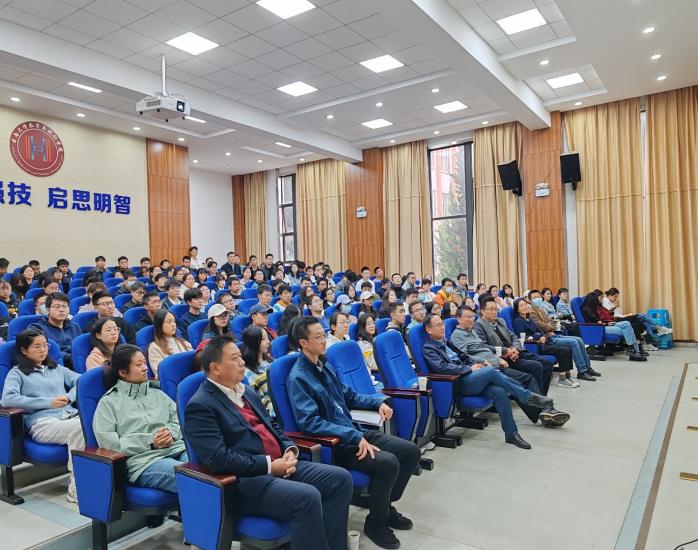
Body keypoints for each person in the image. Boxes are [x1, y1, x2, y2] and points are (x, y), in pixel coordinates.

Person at [184, 334, 353, 550]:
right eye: (234, 358)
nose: (242, 362)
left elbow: (273, 426)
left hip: (280, 464)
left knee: (340, 479)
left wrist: (289, 448)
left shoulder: (246, 391)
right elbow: (218, 459)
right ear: (215, 368)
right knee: (307, 497)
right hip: (247, 483)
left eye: (240, 356)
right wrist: (270, 466)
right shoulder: (200, 406)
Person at [288, 317, 420, 549]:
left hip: (354, 432)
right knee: (388, 463)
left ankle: (383, 507)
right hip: (337, 444)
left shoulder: (324, 366)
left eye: (323, 335)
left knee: (411, 452)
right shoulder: (298, 377)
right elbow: (310, 423)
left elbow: (349, 396)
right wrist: (353, 436)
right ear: (303, 343)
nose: (324, 340)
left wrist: (377, 402)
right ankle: (376, 522)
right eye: (318, 337)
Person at [423, 314, 552, 450]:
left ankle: (511, 434)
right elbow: (441, 367)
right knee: (490, 371)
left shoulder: (446, 342)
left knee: (499, 392)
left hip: (470, 377)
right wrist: (469, 368)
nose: (443, 327)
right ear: (428, 330)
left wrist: (477, 363)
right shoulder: (429, 348)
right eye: (438, 325)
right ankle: (527, 396)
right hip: (457, 382)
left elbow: (464, 356)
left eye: (442, 324)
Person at [0, 329, 84, 502]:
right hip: (42, 423)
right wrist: (48, 403)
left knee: (95, 424)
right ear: (24, 350)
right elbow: (8, 399)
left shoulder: (56, 368)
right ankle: (76, 488)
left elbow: (82, 381)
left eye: (45, 345)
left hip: (68, 416)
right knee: (83, 428)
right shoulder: (17, 373)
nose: (43, 350)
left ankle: (94, 482)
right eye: (37, 346)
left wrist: (69, 397)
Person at [452, 305, 570, 427]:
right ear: (458, 318)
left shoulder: (472, 331)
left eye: (472, 316)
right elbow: (465, 357)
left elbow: (485, 349)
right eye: (467, 317)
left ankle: (544, 411)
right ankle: (544, 410)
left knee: (530, 375)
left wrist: (498, 358)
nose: (471, 319)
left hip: (497, 364)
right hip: (487, 370)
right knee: (523, 380)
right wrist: (486, 361)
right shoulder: (457, 336)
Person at [94, 345, 188, 493]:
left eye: (145, 363)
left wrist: (171, 433)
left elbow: (180, 420)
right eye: (139, 365)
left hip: (176, 448)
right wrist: (150, 442)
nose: (145, 368)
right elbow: (110, 445)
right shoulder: (108, 403)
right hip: (144, 461)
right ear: (122, 372)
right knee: (192, 479)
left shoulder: (157, 393)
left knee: (206, 469)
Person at [474, 296, 556, 396]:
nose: (494, 311)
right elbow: (483, 346)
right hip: (503, 358)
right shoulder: (478, 325)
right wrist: (506, 351)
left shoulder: (500, 321)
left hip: (515, 353)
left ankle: (541, 396)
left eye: (496, 309)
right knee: (536, 366)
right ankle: (536, 399)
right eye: (491, 309)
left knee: (547, 364)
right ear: (482, 311)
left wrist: (516, 349)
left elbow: (514, 336)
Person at [528, 292, 599, 381]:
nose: (537, 299)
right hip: (548, 338)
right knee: (573, 342)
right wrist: (549, 325)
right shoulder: (532, 313)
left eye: (538, 297)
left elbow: (552, 323)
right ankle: (582, 371)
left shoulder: (540, 310)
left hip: (553, 334)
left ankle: (587, 367)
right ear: (530, 300)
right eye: (534, 298)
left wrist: (550, 325)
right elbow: (543, 326)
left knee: (579, 339)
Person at [511, 298, 578, 386]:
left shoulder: (529, 319)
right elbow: (523, 337)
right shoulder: (518, 321)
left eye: (525, 304)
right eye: (521, 306)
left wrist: (543, 336)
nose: (524, 307)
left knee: (567, 348)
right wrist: (538, 337)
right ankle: (562, 379)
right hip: (535, 346)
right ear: (517, 309)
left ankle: (567, 376)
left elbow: (541, 331)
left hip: (543, 342)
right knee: (563, 351)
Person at [581, 292, 647, 361]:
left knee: (626, 323)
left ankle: (633, 349)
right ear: (593, 300)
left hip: (604, 325)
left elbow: (599, 320)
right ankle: (635, 352)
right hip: (598, 328)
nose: (600, 300)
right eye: (598, 299)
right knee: (621, 330)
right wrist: (603, 324)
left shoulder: (594, 309)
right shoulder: (585, 310)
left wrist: (606, 323)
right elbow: (590, 324)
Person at [29, 293, 81, 370]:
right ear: (47, 310)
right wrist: (72, 357)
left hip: (77, 364)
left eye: (64, 306)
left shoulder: (75, 326)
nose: (61, 310)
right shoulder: (36, 328)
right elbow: (44, 352)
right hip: (52, 367)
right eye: (56, 307)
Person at [147, 310, 193, 378]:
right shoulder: (154, 347)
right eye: (169, 322)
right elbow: (160, 374)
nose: (173, 325)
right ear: (159, 325)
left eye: (174, 321)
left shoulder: (184, 343)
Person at [239, 325, 274, 415]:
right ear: (253, 343)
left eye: (267, 338)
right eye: (263, 339)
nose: (268, 341)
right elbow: (263, 405)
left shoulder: (270, 361)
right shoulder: (247, 373)